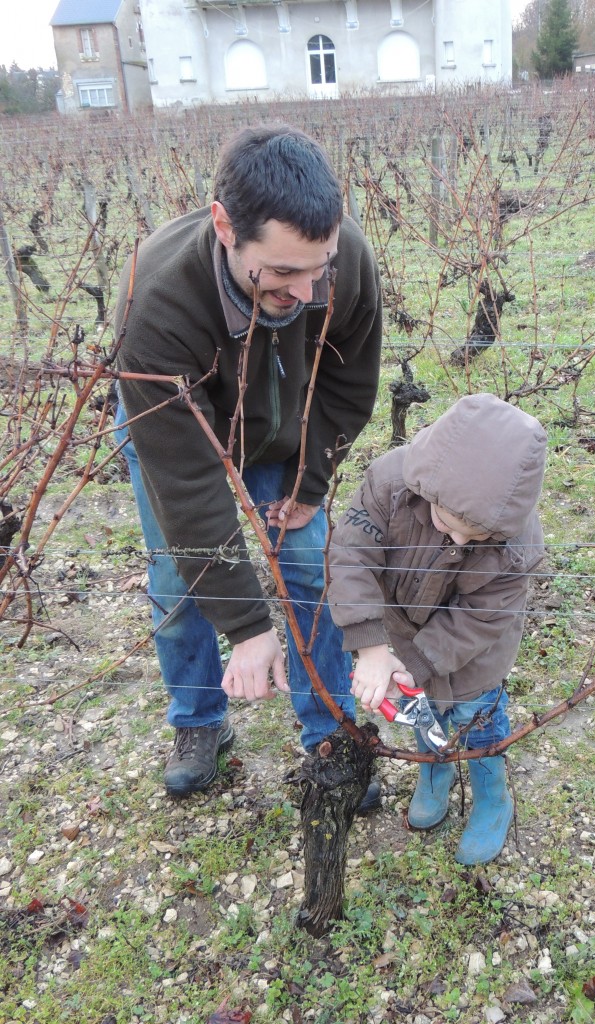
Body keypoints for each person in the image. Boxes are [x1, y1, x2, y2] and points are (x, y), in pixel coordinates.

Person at [113, 126, 383, 802]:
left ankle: (328, 730)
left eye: (316, 268)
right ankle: (200, 720)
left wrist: (311, 480)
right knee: (179, 574)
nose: (305, 287)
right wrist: (247, 626)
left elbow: (351, 382)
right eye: (283, 272)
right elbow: (187, 482)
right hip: (180, 425)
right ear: (224, 225)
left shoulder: (342, 257)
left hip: (286, 423)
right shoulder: (158, 297)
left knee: (306, 565)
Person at [327, 394, 547, 864]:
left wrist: (420, 661)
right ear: (428, 485)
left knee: (476, 717)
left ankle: (492, 794)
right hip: (398, 630)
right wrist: (370, 645)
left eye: (478, 536)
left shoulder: (518, 545)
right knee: (420, 708)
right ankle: (434, 771)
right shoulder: (389, 483)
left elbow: (479, 618)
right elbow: (350, 556)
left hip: (473, 658)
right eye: (449, 523)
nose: (462, 541)